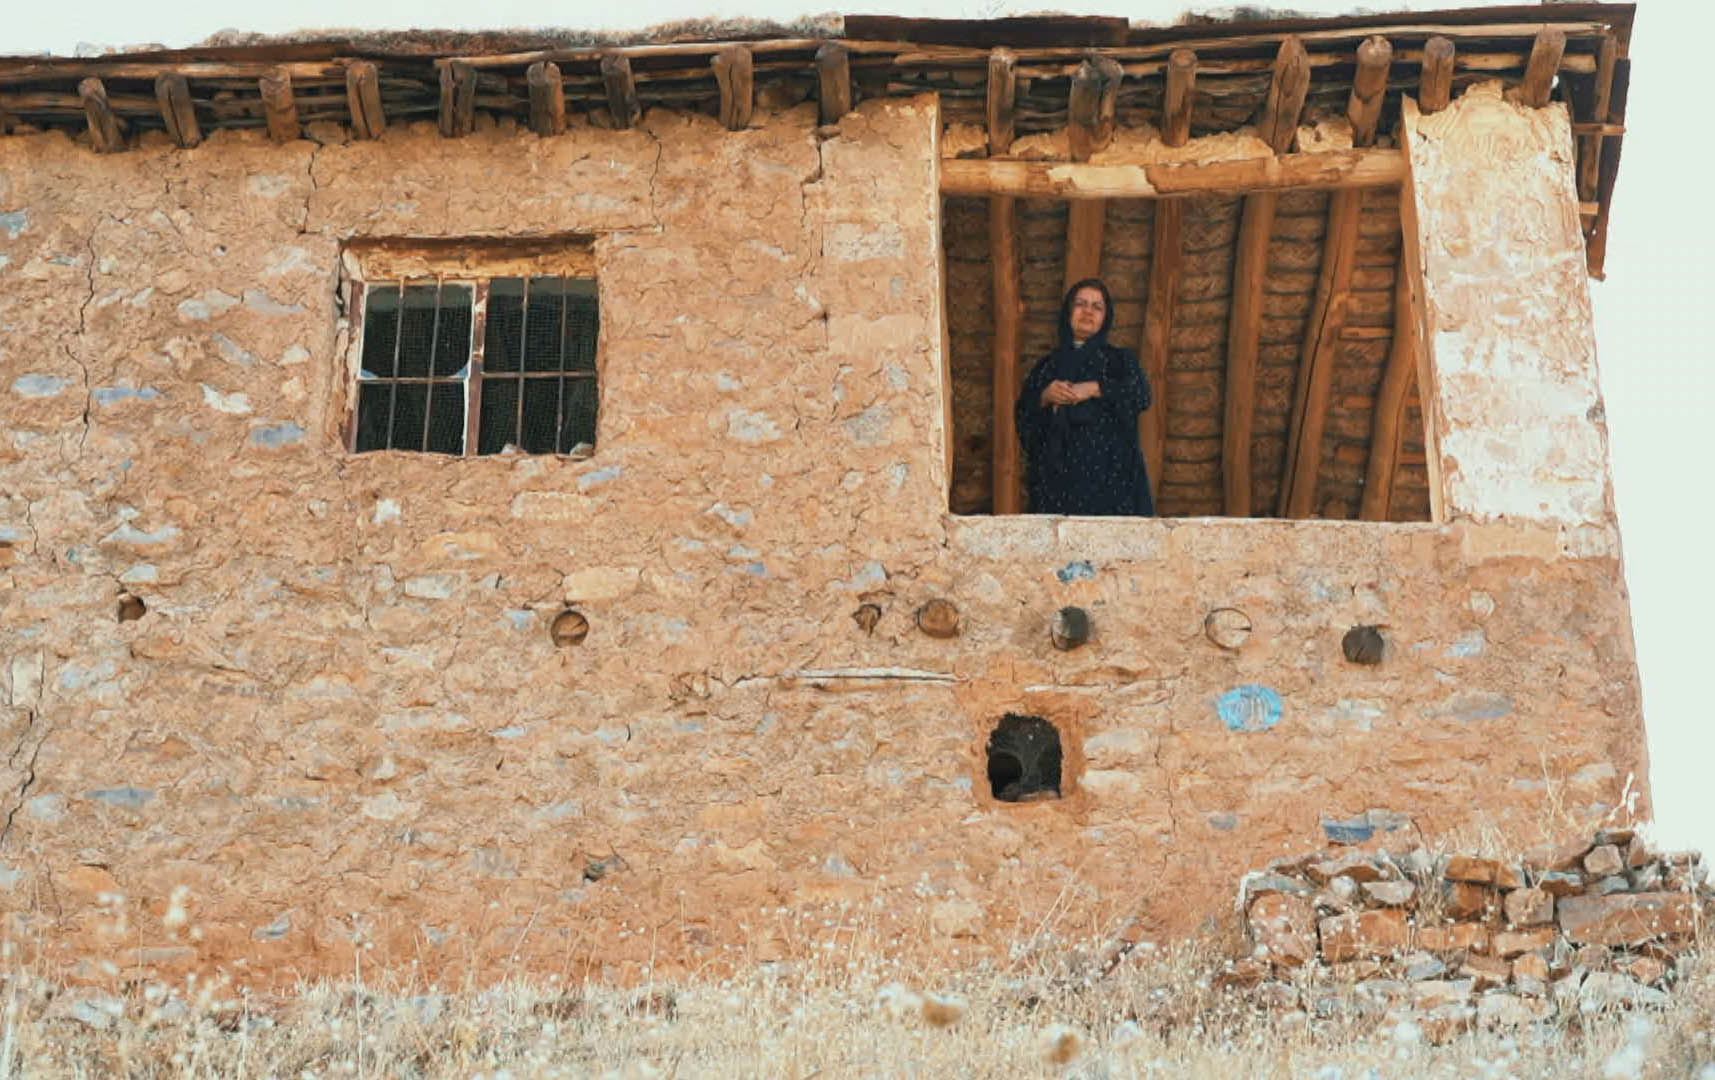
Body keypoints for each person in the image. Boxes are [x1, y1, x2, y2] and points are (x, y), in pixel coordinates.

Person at [1015, 278, 1155, 516]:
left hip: (1112, 487)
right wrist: (1045, 397)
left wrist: (1094, 388)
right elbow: (1022, 418)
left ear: (1105, 317)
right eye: (1081, 304)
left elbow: (1141, 395)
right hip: (1056, 489)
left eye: (1097, 306)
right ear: (1069, 311)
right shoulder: (1047, 367)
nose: (1088, 311)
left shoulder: (1119, 361)